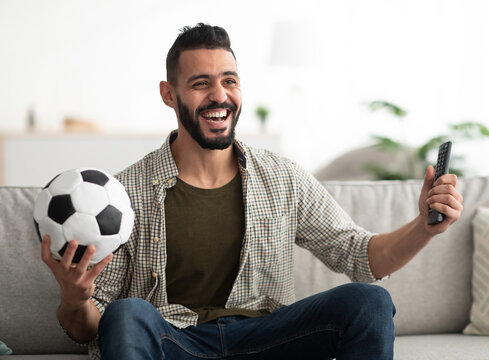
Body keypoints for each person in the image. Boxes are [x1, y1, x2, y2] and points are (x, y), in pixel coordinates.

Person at [41, 23, 463, 360]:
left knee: (369, 302)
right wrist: (74, 300)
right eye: (201, 83)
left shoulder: (281, 177)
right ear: (169, 95)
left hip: (269, 337)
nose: (219, 96)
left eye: (229, 81)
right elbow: (93, 327)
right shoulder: (123, 194)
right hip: (177, 342)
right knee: (126, 313)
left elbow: (358, 255)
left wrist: (423, 228)